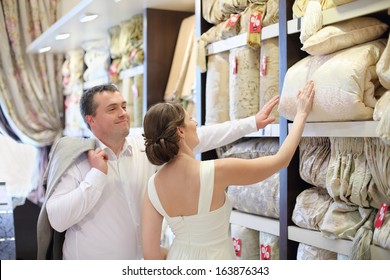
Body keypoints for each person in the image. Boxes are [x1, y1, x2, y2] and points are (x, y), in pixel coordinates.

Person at [37, 83, 279, 260]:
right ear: (91, 120)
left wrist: (252, 123)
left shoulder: (141, 144)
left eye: (123, 106)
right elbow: (57, 219)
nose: (123, 112)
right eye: (112, 109)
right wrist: (96, 176)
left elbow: (198, 136)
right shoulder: (79, 159)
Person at [141, 80, 315, 260]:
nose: (195, 122)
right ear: (180, 132)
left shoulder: (152, 186)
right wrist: (301, 114)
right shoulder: (216, 171)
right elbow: (281, 160)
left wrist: (181, 256)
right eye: (190, 119)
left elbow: (150, 255)